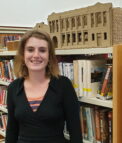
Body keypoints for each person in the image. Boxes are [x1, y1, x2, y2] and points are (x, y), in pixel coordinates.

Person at [5, 30, 83, 143]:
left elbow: (75, 131)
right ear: (23, 54)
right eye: (30, 50)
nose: (36, 55)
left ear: (49, 56)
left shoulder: (63, 85)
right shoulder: (13, 88)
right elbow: (11, 131)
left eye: (42, 50)